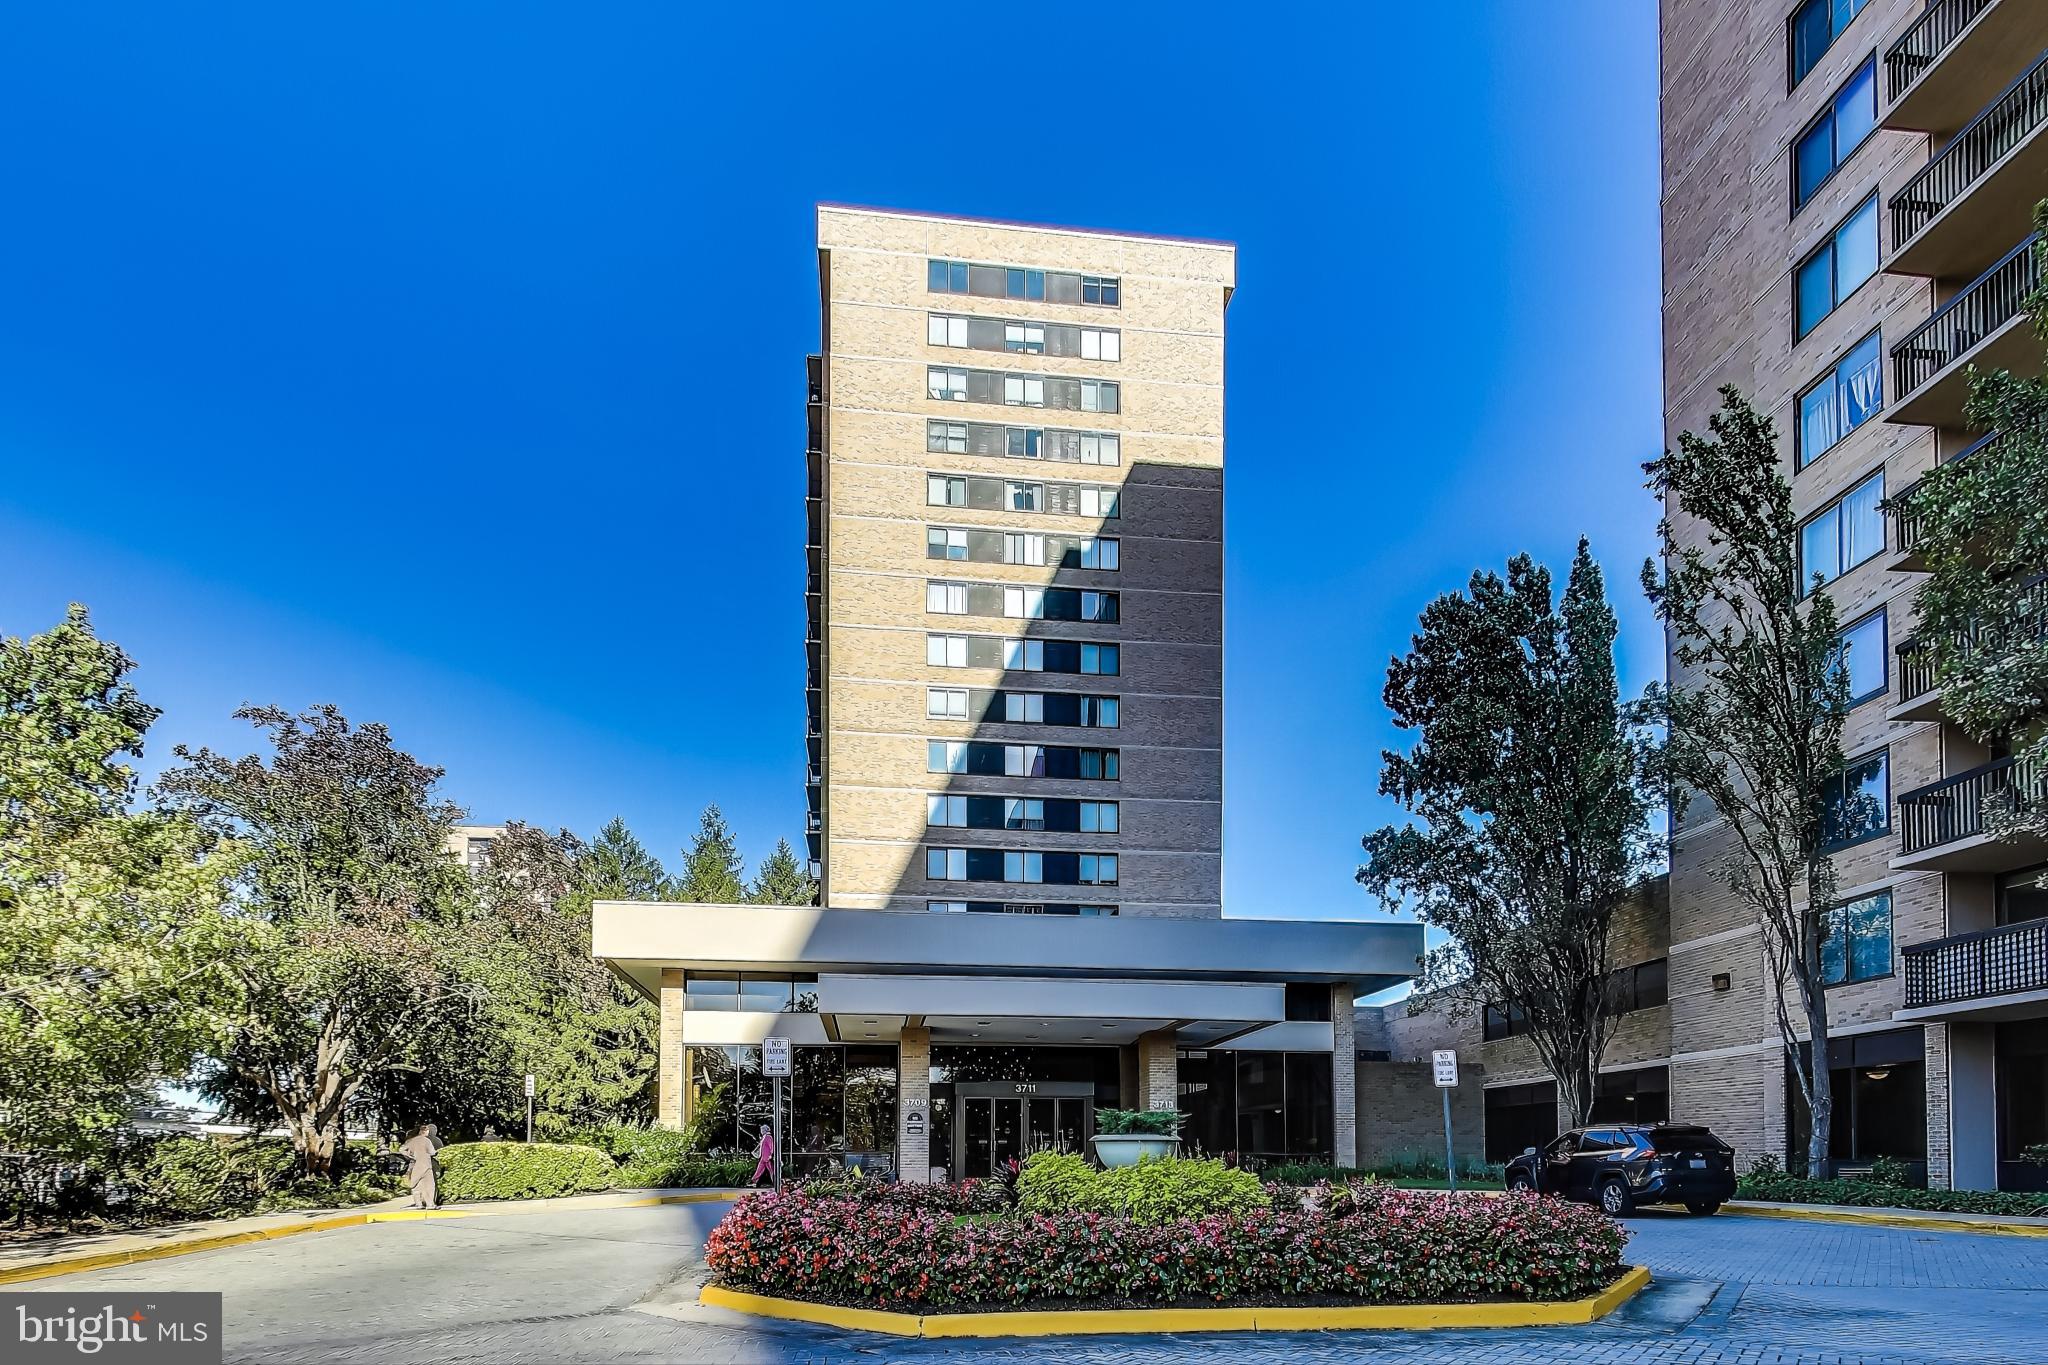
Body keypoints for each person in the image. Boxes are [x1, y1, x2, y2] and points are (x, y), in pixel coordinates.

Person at [399, 1123, 443, 1210]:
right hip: (426, 1165)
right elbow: (432, 1152)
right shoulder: (427, 1141)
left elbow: (401, 1149)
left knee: (416, 1185)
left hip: (415, 1165)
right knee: (429, 1185)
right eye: (428, 1131)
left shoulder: (412, 1141)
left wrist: (410, 1155)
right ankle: (430, 1204)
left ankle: (418, 1204)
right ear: (424, 1131)